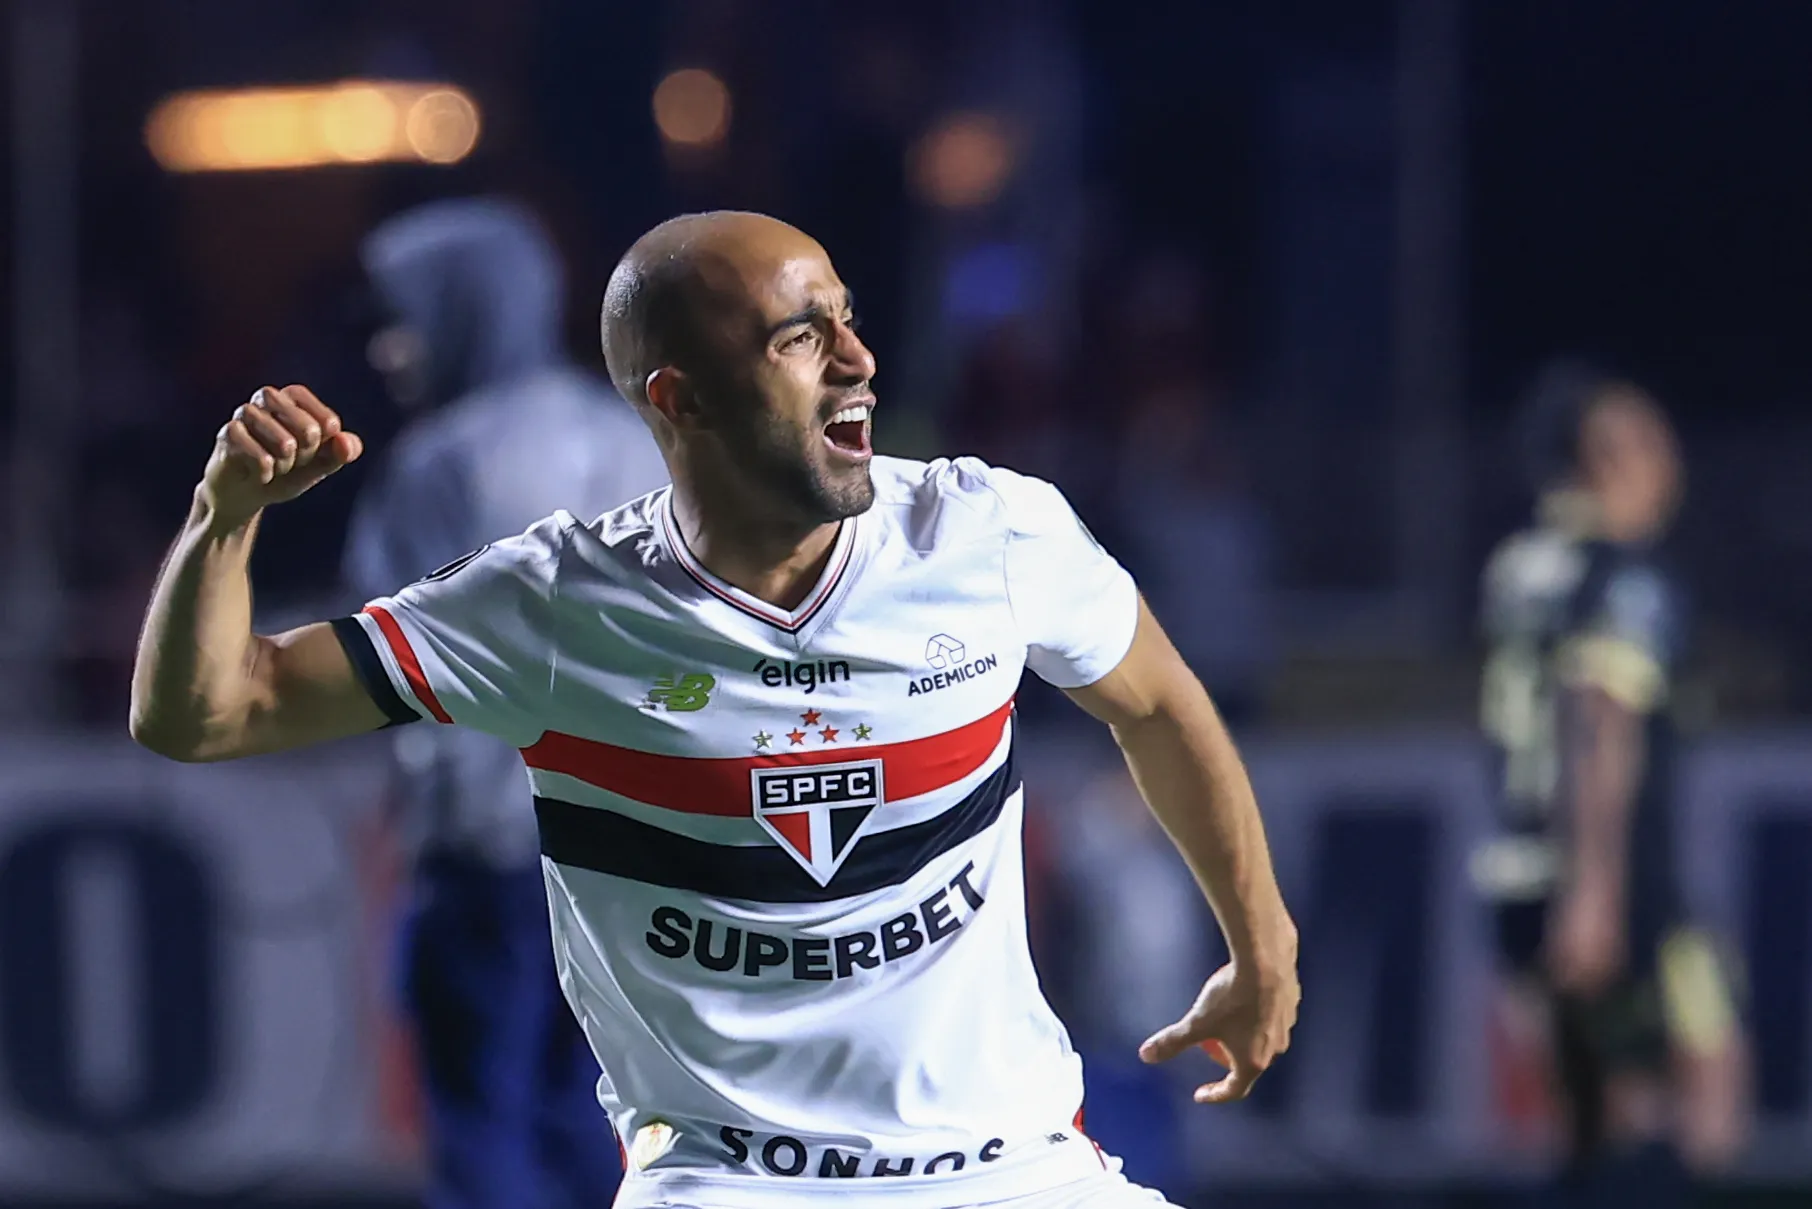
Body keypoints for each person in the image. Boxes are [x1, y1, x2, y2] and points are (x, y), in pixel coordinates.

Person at [129, 210, 1300, 1209]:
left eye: (847, 318)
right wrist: (222, 514)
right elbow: (210, 714)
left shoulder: (987, 533)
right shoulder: (553, 603)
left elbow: (1157, 701)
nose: (858, 360)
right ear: (678, 398)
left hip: (1010, 1171)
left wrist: (1260, 942)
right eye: (803, 336)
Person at [346, 198, 670, 1209]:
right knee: (598, 1121)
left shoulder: (441, 461)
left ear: (460, 310)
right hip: (634, 854)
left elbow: (384, 668)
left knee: (481, 1123)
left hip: (487, 850)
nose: (389, 348)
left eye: (406, 316)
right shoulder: (638, 439)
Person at [1474, 362, 1747, 1206]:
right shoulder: (1625, 572)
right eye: (1651, 440)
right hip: (1611, 880)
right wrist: (1597, 892)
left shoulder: (1522, 564)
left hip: (1517, 872)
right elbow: (1602, 720)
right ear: (1606, 456)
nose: (1672, 461)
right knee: (1707, 1095)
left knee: (1591, 1117)